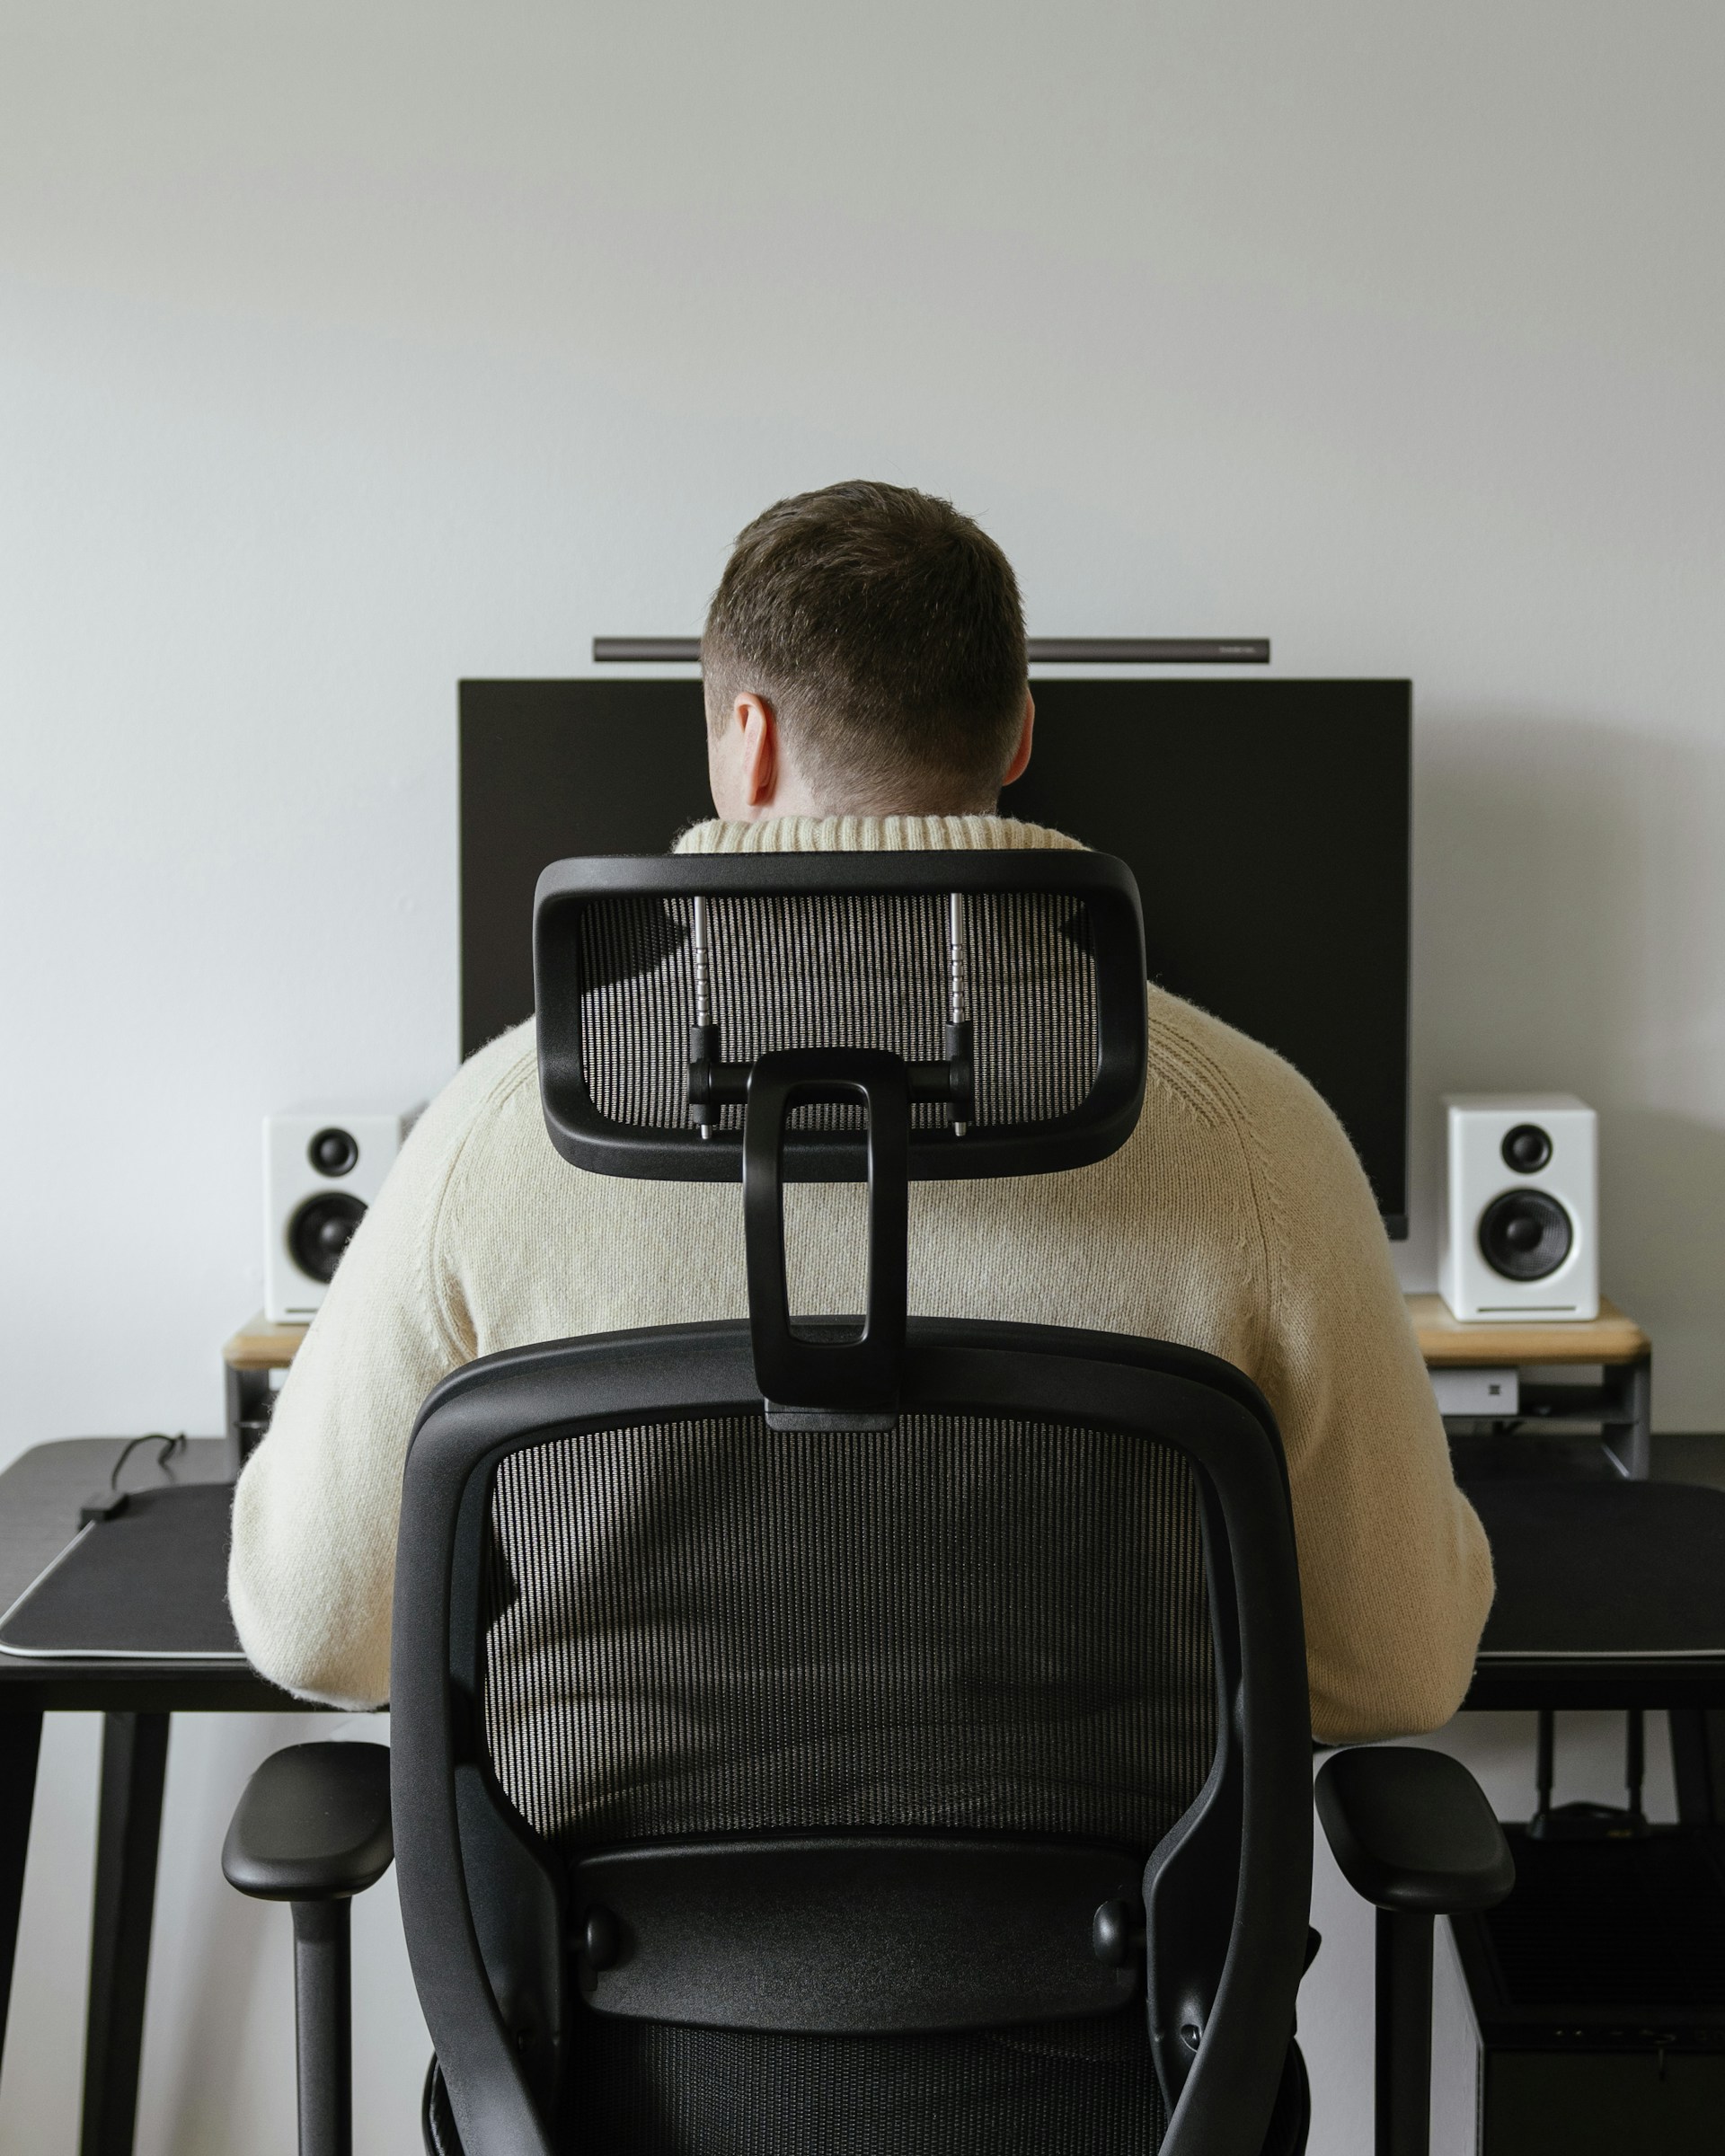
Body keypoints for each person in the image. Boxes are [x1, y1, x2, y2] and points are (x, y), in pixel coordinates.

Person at [229, 479, 1492, 1739]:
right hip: (1118, 1923)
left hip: (605, 1923)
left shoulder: (501, 1127)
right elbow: (1399, 1671)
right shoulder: (1255, 1131)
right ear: (1016, 742)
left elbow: (316, 1631)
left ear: (747, 737)